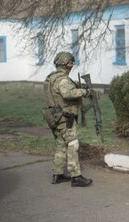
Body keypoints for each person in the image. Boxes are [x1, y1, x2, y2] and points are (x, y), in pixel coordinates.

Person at [43, 51, 93, 187]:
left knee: (61, 144)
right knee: (72, 144)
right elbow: (67, 93)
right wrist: (85, 92)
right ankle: (76, 176)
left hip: (54, 117)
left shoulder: (51, 78)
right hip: (65, 117)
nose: (71, 66)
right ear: (67, 64)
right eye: (71, 63)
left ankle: (57, 174)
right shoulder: (63, 79)